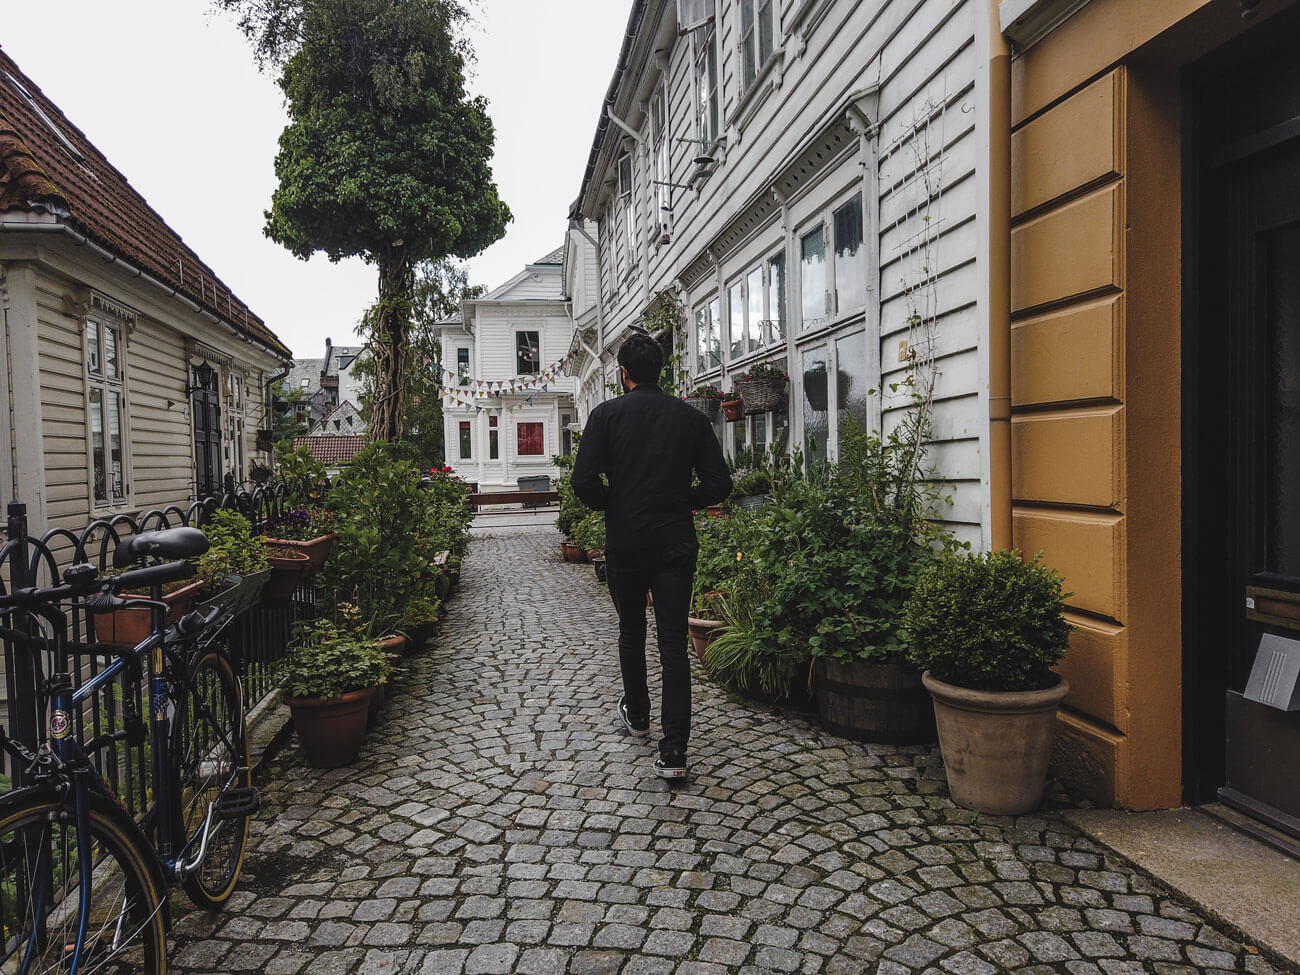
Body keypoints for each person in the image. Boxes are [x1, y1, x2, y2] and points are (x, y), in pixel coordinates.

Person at [571, 333, 731, 779]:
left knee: (631, 630)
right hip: (675, 543)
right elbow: (719, 483)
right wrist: (683, 498)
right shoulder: (689, 418)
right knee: (674, 644)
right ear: (660, 370)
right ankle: (674, 750)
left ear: (623, 373)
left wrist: (614, 501)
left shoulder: (606, 416)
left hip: (626, 543)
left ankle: (638, 713)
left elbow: (583, 482)